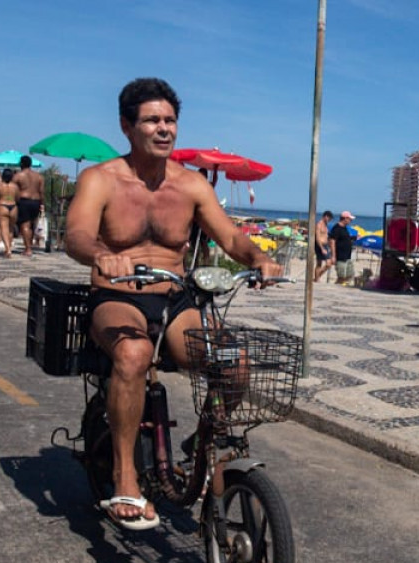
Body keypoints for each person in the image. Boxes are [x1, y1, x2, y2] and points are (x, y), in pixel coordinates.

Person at [63, 77, 282, 531]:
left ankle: (202, 443)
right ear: (127, 126)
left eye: (170, 121)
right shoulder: (100, 179)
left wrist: (259, 257)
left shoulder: (191, 185)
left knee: (233, 361)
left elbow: (231, 237)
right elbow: (77, 234)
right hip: (117, 296)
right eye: (152, 121)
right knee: (133, 353)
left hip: (174, 299)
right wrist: (103, 255)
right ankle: (126, 476)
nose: (163, 129)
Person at [13, 156, 45, 256]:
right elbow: (42, 192)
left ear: (21, 164)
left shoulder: (18, 176)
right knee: (31, 225)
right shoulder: (39, 176)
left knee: (25, 225)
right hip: (36, 201)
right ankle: (29, 246)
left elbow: (13, 190)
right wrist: (42, 204)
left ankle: (28, 249)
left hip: (24, 201)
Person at [329, 211, 357, 285]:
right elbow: (332, 241)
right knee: (341, 276)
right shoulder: (336, 228)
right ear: (345, 218)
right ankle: (336, 287)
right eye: (349, 219)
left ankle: (341, 286)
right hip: (340, 256)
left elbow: (344, 238)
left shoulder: (344, 228)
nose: (350, 221)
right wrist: (333, 256)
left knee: (350, 275)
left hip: (347, 256)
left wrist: (354, 238)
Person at [312, 211, 336, 283]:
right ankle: (317, 279)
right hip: (319, 245)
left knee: (328, 264)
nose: (329, 220)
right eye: (329, 218)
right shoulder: (319, 224)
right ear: (325, 216)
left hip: (325, 245)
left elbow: (326, 236)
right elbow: (317, 237)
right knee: (320, 263)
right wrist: (322, 248)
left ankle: (317, 277)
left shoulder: (326, 225)